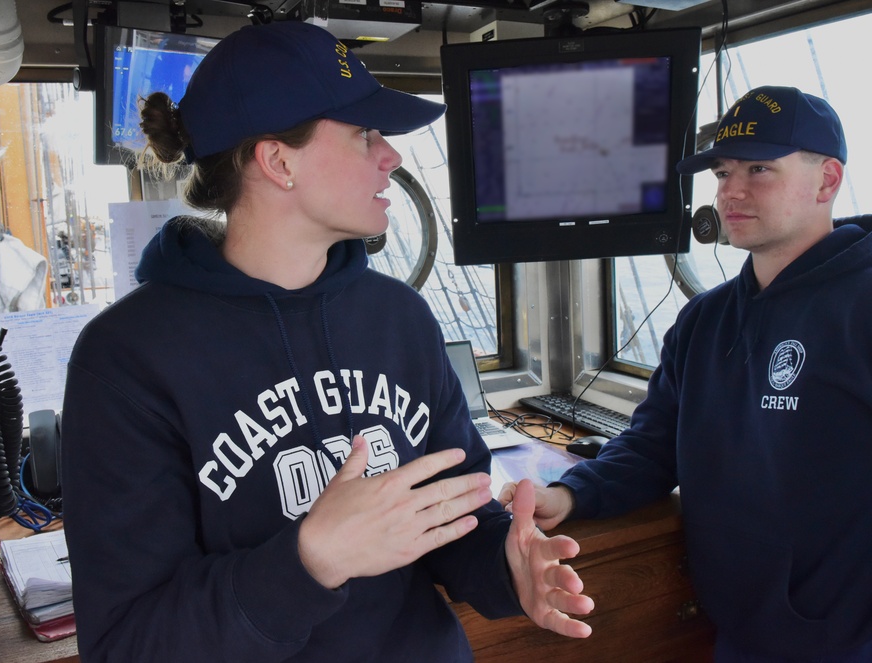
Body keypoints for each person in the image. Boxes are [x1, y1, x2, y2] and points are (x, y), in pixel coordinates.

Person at [60, 20, 593, 662]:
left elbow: (456, 521)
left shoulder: (399, 318)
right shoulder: (125, 359)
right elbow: (128, 645)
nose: (390, 155)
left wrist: (510, 565)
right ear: (278, 161)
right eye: (364, 134)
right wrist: (310, 560)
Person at [500, 85, 872, 662]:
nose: (732, 191)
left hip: (867, 642)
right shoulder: (705, 320)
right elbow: (654, 446)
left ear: (827, 180)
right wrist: (572, 493)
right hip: (740, 637)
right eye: (722, 173)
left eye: (759, 169)